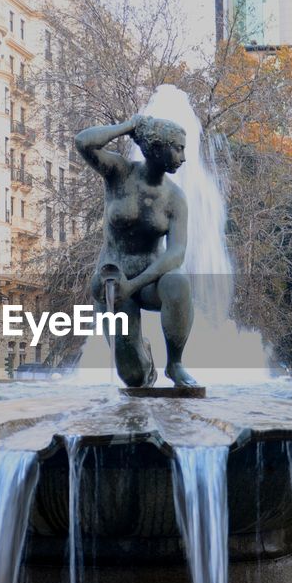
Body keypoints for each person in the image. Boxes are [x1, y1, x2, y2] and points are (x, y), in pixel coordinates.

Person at [76, 113, 197, 388]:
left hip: (149, 282)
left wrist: (136, 284)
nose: (183, 157)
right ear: (156, 146)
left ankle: (175, 364)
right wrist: (129, 126)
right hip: (114, 285)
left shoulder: (175, 199)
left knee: (178, 282)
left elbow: (176, 253)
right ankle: (141, 354)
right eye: (177, 148)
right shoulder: (120, 173)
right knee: (134, 378)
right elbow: (83, 142)